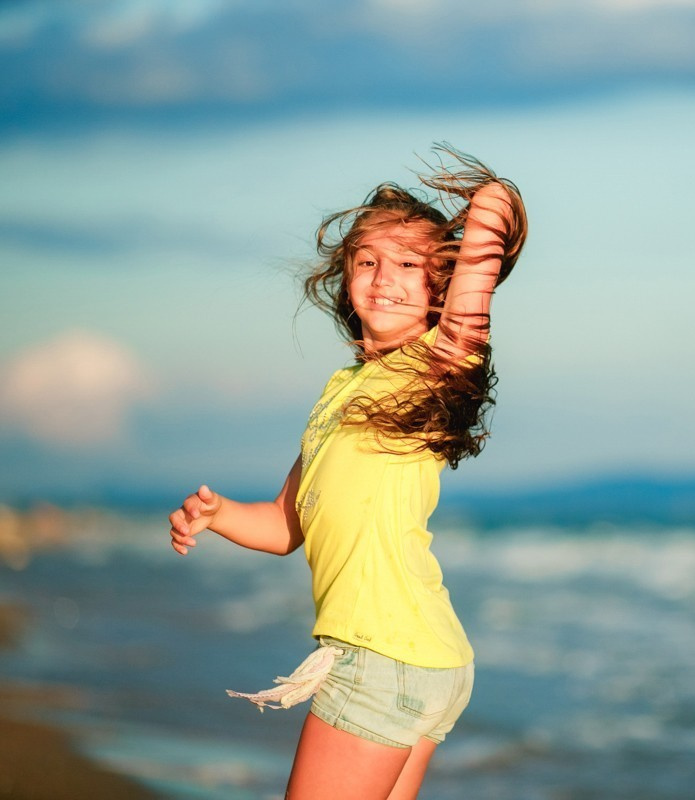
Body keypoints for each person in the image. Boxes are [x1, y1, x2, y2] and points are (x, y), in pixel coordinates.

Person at [167, 145, 526, 800]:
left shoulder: (432, 368)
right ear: (346, 277)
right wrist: (218, 516)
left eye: (409, 265)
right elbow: (285, 524)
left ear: (438, 288)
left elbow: (486, 243)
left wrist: (489, 200)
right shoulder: (342, 388)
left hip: (382, 655)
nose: (385, 277)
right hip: (420, 656)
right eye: (368, 261)